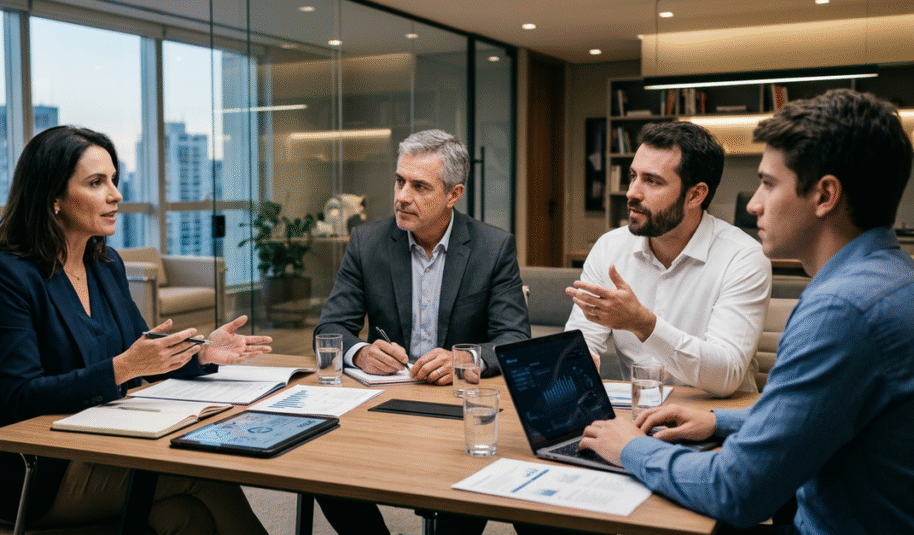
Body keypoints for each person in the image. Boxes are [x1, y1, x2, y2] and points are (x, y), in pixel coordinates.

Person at [581, 89, 914, 534]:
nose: (753, 203)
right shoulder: (890, 278)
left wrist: (629, 447)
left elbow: (735, 490)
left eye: (769, 184)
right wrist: (721, 421)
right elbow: (827, 411)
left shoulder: (841, 310)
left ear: (825, 195)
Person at [0, 125, 272, 535]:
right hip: (36, 472)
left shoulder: (105, 266)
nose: (115, 194)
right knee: (204, 471)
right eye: (96, 183)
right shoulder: (4, 276)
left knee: (186, 517)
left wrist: (200, 352)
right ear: (53, 197)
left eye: (113, 180)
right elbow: (22, 396)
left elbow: (143, 350)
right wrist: (120, 369)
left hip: (104, 444)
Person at [312, 129, 530, 535]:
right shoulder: (367, 242)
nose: (402, 196)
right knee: (319, 461)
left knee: (463, 490)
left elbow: (515, 340)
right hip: (384, 398)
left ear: (453, 194)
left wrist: (463, 359)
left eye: (419, 186)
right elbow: (330, 327)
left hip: (455, 404)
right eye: (399, 181)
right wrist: (359, 352)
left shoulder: (492, 248)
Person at [564, 121, 771, 396]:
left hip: (718, 420)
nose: (632, 192)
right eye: (633, 176)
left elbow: (726, 375)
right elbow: (580, 343)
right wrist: (576, 362)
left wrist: (643, 323)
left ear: (695, 194)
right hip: (637, 416)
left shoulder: (743, 257)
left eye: (652, 181)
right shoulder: (609, 248)